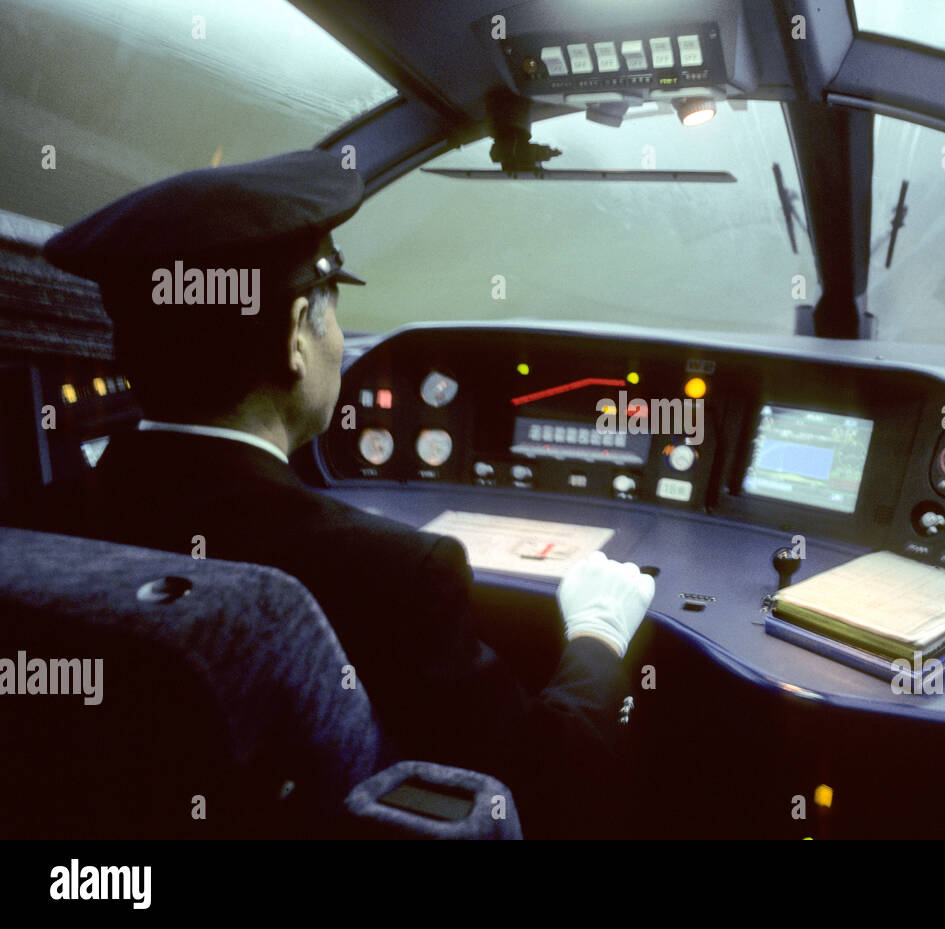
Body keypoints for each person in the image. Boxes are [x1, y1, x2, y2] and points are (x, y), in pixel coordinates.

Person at [32, 149, 654, 837]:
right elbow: (537, 790)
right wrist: (599, 630)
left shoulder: (32, 525)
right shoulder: (395, 574)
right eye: (332, 309)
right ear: (298, 332)